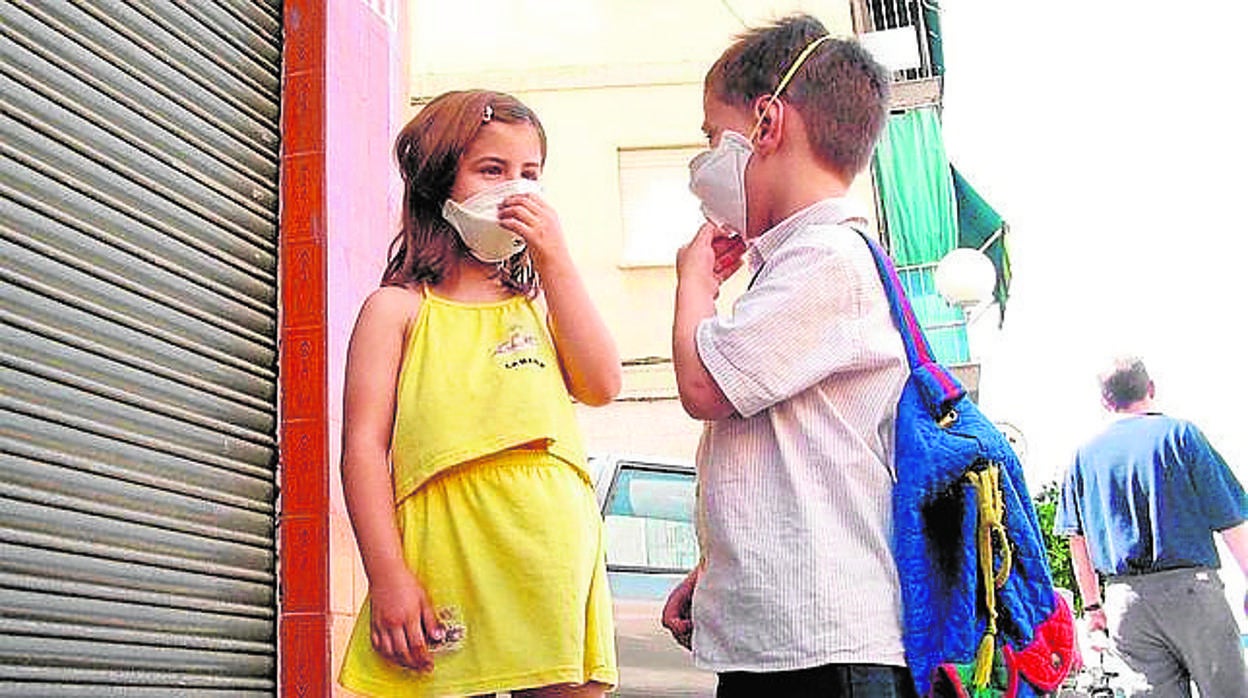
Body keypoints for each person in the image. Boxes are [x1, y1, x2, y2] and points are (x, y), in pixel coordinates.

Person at [660, 14, 919, 697]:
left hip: (823, 649)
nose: (706, 161)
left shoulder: (825, 256)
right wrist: (718, 572)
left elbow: (707, 388)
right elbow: (794, 455)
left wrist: (693, 284)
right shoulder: (808, 260)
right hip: (796, 640)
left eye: (715, 137)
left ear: (767, 123)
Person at [337, 89, 621, 698]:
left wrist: (556, 260)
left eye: (530, 174)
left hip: (549, 546)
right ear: (440, 183)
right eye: (491, 170)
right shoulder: (398, 310)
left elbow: (601, 383)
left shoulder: (540, 304)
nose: (515, 189)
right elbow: (363, 449)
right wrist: (387, 576)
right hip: (444, 546)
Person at [1054, 356, 1248, 697]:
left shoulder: (1082, 457)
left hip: (1125, 602)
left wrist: (1093, 608)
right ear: (1151, 388)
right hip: (1192, 591)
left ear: (1105, 400)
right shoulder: (1180, 435)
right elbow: (1230, 518)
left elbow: (1077, 540)